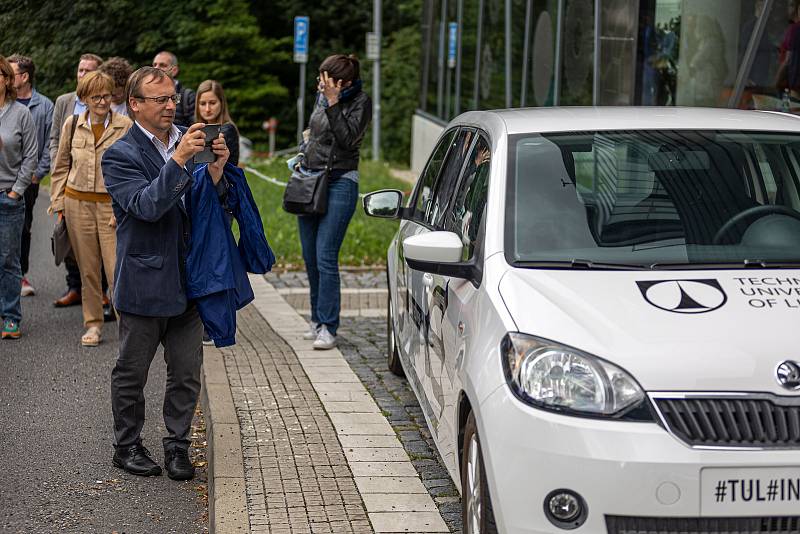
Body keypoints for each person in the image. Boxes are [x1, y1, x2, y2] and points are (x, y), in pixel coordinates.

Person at [102, 66, 229, 480]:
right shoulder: (119, 154)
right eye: (161, 99)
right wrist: (179, 160)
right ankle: (127, 445)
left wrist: (215, 173)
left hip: (189, 280)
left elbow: (211, 209)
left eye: (173, 98)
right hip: (144, 282)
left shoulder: (189, 143)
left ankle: (177, 446)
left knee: (186, 373)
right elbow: (145, 207)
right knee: (131, 372)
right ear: (135, 104)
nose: (172, 106)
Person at [49, 71, 132, 347]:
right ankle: (93, 324)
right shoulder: (72, 124)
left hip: (112, 207)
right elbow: (61, 166)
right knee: (88, 270)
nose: (101, 101)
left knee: (116, 268)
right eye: (95, 96)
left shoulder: (125, 126)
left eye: (106, 95)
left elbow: (132, 172)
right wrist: (58, 202)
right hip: (77, 204)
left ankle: (126, 327)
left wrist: (123, 209)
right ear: (83, 98)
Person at [296, 54, 371, 350]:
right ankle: (316, 319)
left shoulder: (359, 102)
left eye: (324, 79)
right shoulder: (321, 98)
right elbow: (313, 134)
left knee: (326, 255)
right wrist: (302, 155)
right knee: (310, 255)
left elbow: (347, 139)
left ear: (342, 83)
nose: (319, 83)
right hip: (310, 181)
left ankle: (329, 325)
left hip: (340, 182)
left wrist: (333, 102)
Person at [50, 53, 103, 308]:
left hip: (96, 186)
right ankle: (74, 287)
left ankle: (100, 290)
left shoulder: (106, 107)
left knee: (98, 242)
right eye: (80, 70)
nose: (83, 75)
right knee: (68, 238)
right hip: (70, 183)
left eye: (89, 71)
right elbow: (54, 141)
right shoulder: (64, 102)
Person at [8, 55, 54, 298]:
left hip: (28, 181)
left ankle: (19, 275)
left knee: (22, 229)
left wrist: (37, 174)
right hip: (3, 177)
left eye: (10, 73)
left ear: (24, 77)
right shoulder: (3, 104)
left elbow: (49, 142)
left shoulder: (45, 106)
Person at [0, 55, 37, 340]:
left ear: (6, 79)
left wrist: (16, 191)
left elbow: (30, 157)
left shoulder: (20, 114)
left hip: (7, 197)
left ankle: (11, 316)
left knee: (8, 260)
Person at [195, 80, 239, 166]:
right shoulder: (198, 128)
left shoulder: (228, 129)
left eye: (212, 103)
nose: (207, 109)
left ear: (221, 103)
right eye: (203, 104)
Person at [152, 51, 195, 127]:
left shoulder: (187, 96)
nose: (156, 68)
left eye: (162, 65)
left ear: (174, 70)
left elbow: (195, 126)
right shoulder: (148, 94)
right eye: (154, 65)